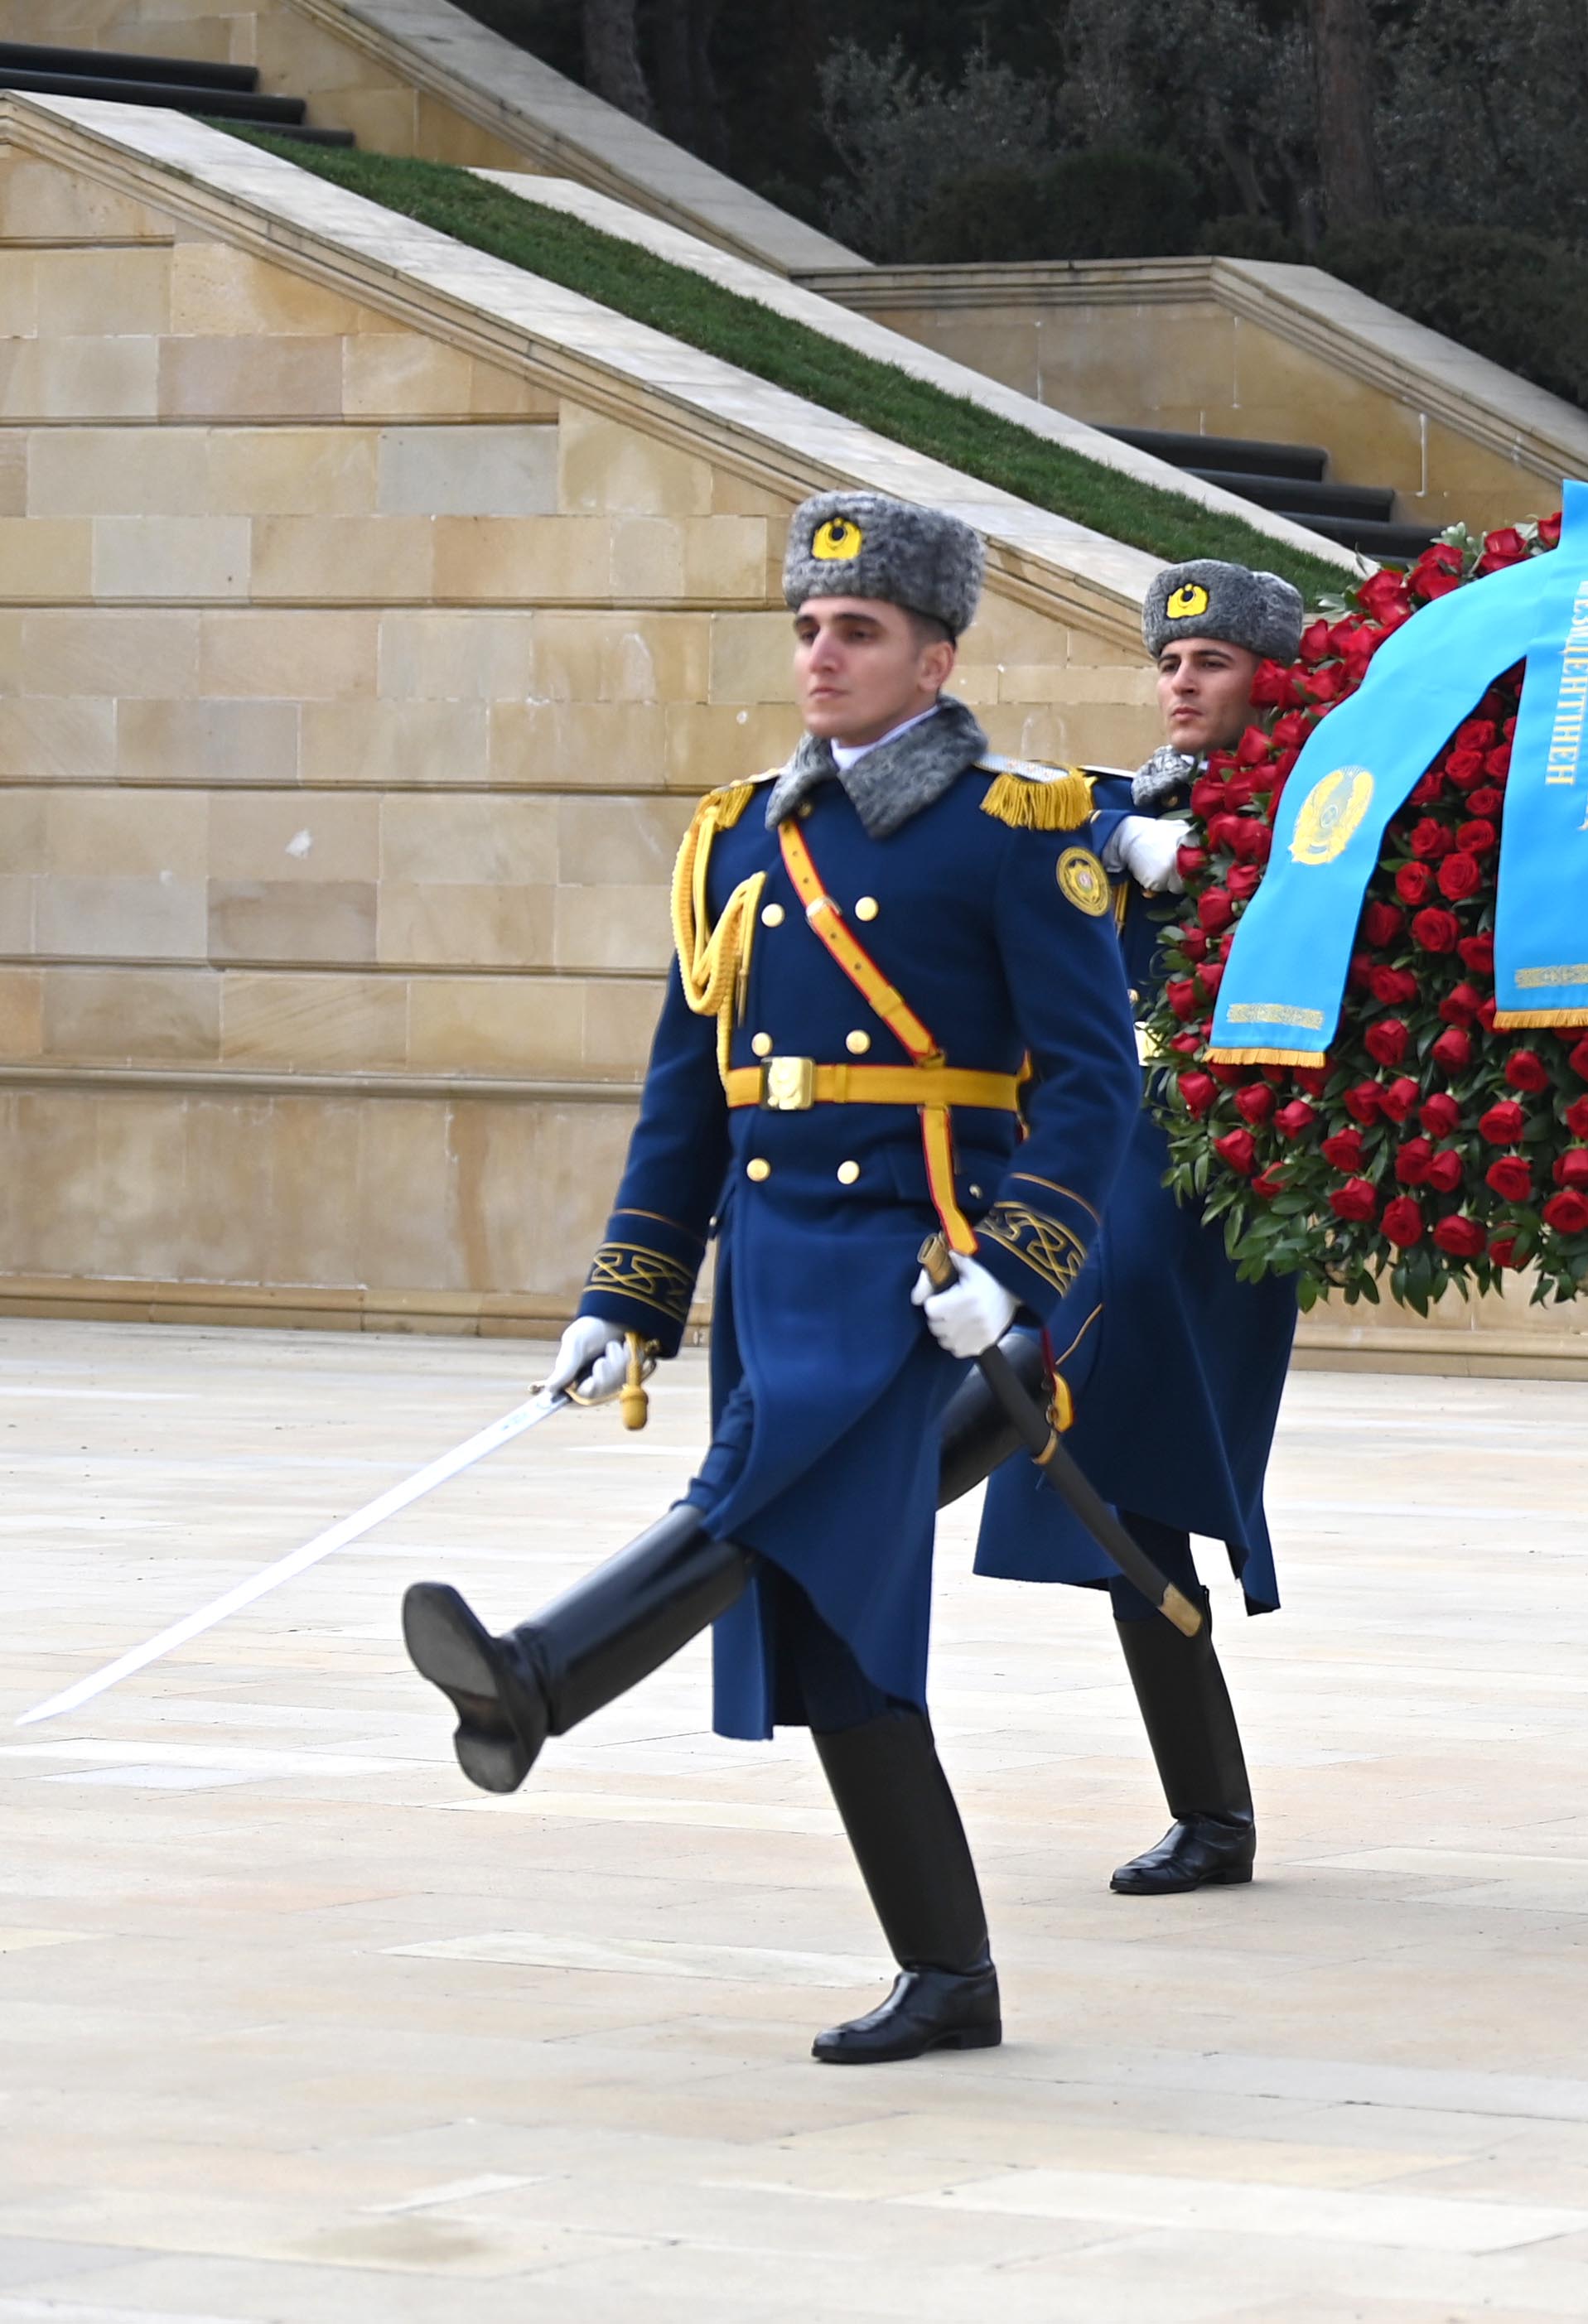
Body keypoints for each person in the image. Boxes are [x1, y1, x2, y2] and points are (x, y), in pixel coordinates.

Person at [398, 491, 1138, 2063]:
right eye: (808, 627)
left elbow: (1089, 1086)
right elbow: (692, 1084)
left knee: (758, 1483)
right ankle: (953, 1975)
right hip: (775, 1258)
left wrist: (1017, 1271)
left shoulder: (1021, 828)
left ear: (935, 656)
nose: (822, 653)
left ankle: (538, 1678)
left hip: (919, 1277)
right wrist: (629, 1294)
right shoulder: (739, 833)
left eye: (858, 630)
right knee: (834, 1628)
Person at [939, 557, 1307, 1898]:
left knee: (1078, 1403)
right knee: (1128, 1506)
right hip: (1104, 1166)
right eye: (1169, 662)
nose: (1183, 683)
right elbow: (974, 822)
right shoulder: (1111, 806)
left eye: (1212, 663)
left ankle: (850, 1497)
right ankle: (1213, 1813)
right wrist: (1106, 840)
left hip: (1214, 1185)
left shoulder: (1306, 817)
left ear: (1271, 678)